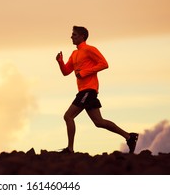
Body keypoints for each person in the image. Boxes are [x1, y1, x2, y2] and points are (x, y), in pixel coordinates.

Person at [56, 26, 138, 154]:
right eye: (72, 34)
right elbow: (66, 72)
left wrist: (84, 72)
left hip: (88, 90)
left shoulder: (90, 49)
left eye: (74, 35)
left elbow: (104, 64)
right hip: (85, 91)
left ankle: (70, 149)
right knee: (99, 122)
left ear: (82, 36)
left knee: (68, 116)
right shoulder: (75, 53)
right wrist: (60, 62)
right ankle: (129, 137)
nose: (71, 37)